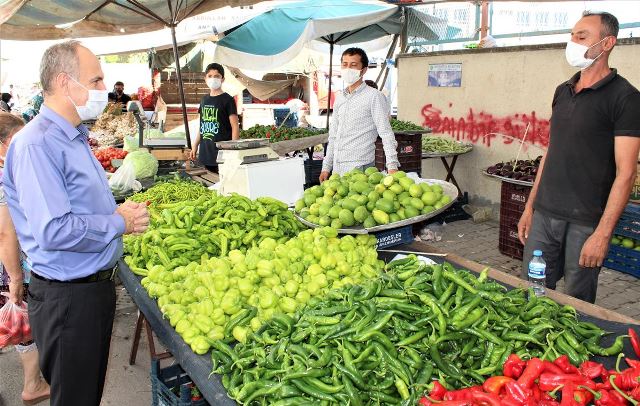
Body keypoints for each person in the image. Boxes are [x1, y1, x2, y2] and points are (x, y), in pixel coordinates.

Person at [2, 40, 150, 406]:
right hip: (68, 299)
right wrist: (118, 223)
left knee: (83, 393)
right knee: (75, 398)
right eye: (97, 80)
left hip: (89, 290)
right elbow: (53, 230)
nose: (104, 89)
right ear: (67, 82)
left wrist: (116, 215)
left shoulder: (74, 136)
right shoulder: (37, 144)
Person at [518, 11, 640, 304]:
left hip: (586, 222)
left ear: (607, 43)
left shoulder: (626, 98)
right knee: (531, 295)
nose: (572, 42)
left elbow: (626, 173)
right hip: (545, 215)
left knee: (576, 303)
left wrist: (602, 234)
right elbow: (551, 152)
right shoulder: (563, 91)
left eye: (582, 36)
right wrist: (530, 207)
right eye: (572, 35)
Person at [0, 113, 50, 405]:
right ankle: (33, 385)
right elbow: (6, 235)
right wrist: (16, 278)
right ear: (5, 144)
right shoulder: (4, 177)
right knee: (21, 326)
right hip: (7, 266)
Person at [319, 48, 399, 181]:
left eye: (353, 65)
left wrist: (392, 166)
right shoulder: (340, 97)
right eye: (344, 64)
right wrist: (326, 167)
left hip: (360, 169)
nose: (348, 68)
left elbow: (386, 133)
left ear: (364, 70)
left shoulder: (374, 96)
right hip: (337, 170)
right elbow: (333, 135)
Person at [189, 63, 240, 173]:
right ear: (205, 79)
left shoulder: (228, 100)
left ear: (223, 79)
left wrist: (233, 150)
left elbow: (235, 127)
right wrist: (195, 145)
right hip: (205, 153)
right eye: (210, 76)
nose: (213, 79)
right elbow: (202, 126)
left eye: (217, 76)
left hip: (222, 154)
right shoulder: (204, 100)